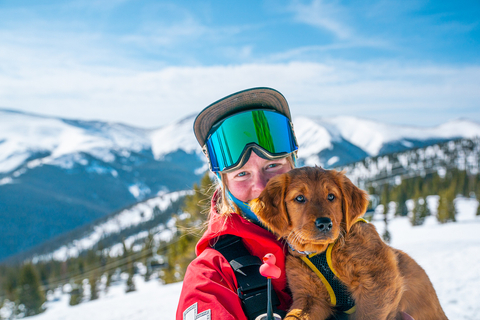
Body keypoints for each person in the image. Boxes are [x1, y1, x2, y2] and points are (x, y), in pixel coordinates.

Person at [176, 87, 298, 320]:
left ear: (293, 164)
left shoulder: (338, 235)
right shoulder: (210, 276)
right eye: (242, 174)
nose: (261, 188)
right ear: (224, 184)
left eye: (272, 166)